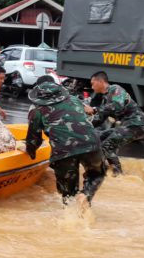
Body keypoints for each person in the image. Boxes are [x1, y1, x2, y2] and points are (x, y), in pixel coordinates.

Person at [23, 79, 106, 207]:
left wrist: (30, 152)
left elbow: (34, 140)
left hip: (63, 152)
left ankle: (72, 216)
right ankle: (86, 194)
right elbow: (87, 116)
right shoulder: (74, 100)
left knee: (68, 196)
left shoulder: (36, 110)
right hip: (91, 144)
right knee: (96, 174)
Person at [84, 71, 144, 176]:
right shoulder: (105, 99)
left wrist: (94, 109)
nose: (92, 87)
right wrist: (83, 126)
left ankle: (111, 173)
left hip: (137, 125)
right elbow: (100, 118)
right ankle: (116, 172)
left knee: (108, 144)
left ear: (100, 81)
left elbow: (117, 105)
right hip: (127, 126)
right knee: (99, 137)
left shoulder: (115, 89)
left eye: (93, 83)